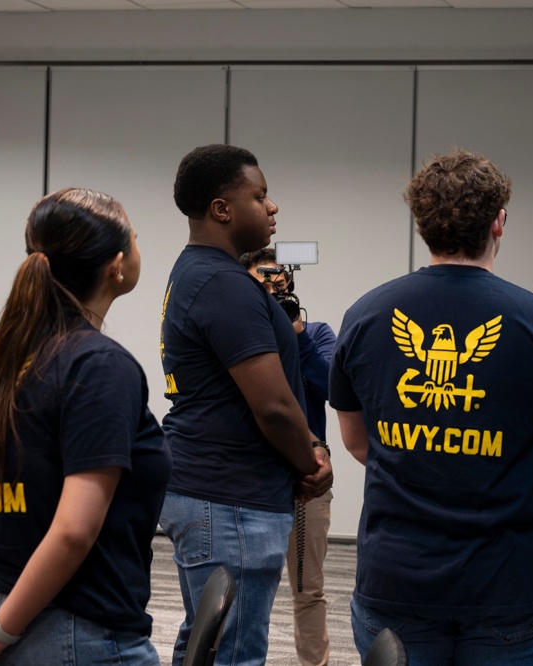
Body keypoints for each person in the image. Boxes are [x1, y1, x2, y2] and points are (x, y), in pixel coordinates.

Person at [329, 149, 533, 665]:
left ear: (421, 224)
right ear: (499, 222)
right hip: (508, 581)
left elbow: (358, 440)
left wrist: (426, 469)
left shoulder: (365, 316)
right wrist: (502, 485)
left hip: (397, 575)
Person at [0, 188, 170, 666]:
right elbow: (73, 530)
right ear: (117, 264)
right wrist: (3, 631)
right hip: (69, 628)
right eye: (135, 237)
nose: (138, 246)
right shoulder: (101, 367)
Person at [159, 144, 333, 666]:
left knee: (205, 643)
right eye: (260, 196)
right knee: (233, 650)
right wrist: (311, 464)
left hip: (215, 492)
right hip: (230, 500)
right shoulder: (223, 283)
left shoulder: (199, 274)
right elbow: (274, 406)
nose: (273, 206)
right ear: (222, 209)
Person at [240, 247, 335, 666]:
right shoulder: (239, 335)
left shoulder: (316, 334)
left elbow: (332, 386)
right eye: (265, 281)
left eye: (280, 282)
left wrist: (296, 333)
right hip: (250, 477)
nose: (275, 290)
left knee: (308, 590)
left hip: (307, 477)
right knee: (244, 588)